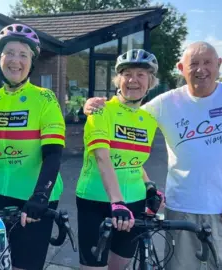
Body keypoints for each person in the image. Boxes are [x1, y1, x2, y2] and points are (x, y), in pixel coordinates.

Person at [83, 42, 222, 269]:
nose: (200, 69)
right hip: (181, 207)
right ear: (181, 68)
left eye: (207, 62)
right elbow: (126, 117)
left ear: (219, 64)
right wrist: (92, 105)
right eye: (193, 63)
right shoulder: (163, 104)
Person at [0, 23, 66, 270]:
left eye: (23, 54)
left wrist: (41, 194)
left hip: (35, 198)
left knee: (26, 265)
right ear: (0, 58)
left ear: (32, 61)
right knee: (0, 261)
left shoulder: (45, 99)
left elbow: (53, 154)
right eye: (9, 52)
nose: (15, 61)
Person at [76, 49, 164, 270]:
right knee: (93, 267)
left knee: (120, 266)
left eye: (141, 74)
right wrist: (117, 201)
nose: (133, 80)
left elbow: (135, 160)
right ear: (119, 79)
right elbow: (102, 157)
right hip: (96, 199)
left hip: (134, 201)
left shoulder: (149, 119)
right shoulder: (101, 110)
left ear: (150, 81)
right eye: (127, 74)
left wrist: (149, 185)